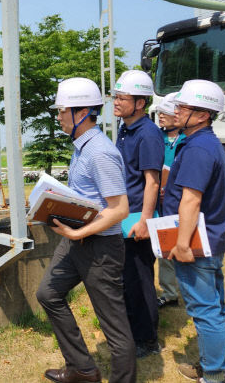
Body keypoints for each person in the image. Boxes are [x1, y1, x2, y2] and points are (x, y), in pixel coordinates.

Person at [37, 77, 136, 383]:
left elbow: (120, 209)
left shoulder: (100, 152)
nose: (58, 116)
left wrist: (79, 233)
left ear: (81, 112)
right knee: (48, 293)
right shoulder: (81, 147)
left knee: (114, 327)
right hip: (78, 240)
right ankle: (82, 369)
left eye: (62, 110)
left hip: (100, 248)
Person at [164, 80, 225, 383]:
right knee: (215, 308)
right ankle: (215, 365)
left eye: (183, 107)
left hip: (195, 244)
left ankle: (214, 375)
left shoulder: (199, 148)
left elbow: (191, 200)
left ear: (203, 115)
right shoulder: (203, 143)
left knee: (205, 312)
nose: (176, 111)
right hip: (209, 240)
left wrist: (181, 244)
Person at [113, 69, 164, 358]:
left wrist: (145, 219)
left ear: (140, 103)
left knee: (140, 280)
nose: (117, 102)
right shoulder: (124, 128)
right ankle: (132, 332)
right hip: (124, 216)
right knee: (126, 278)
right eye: (116, 97)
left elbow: (152, 181)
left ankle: (147, 340)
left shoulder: (148, 134)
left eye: (123, 98)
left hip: (137, 218)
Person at [155, 92, 185, 309]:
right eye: (159, 113)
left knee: (184, 245)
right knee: (164, 246)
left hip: (181, 201)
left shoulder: (187, 141)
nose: (160, 117)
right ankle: (170, 292)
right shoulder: (157, 137)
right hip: (160, 202)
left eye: (164, 113)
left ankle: (187, 288)